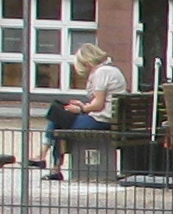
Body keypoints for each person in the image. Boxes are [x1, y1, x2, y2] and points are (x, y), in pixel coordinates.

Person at [43, 41, 126, 170]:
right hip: (108, 118)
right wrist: (83, 106)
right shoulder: (112, 70)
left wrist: (81, 108)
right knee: (58, 113)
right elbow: (103, 101)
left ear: (87, 62)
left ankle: (47, 160)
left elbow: (98, 105)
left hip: (100, 120)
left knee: (56, 116)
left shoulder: (101, 73)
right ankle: (46, 159)